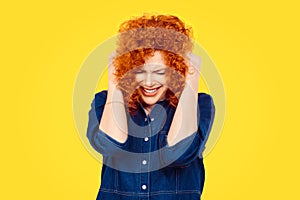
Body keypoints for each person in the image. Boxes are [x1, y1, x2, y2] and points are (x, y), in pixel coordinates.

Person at [87, 14, 215, 200]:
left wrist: (191, 79)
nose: (148, 82)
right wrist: (115, 80)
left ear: (175, 70)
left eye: (159, 72)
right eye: (139, 71)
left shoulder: (200, 105)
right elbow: (109, 146)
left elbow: (180, 154)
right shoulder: (104, 101)